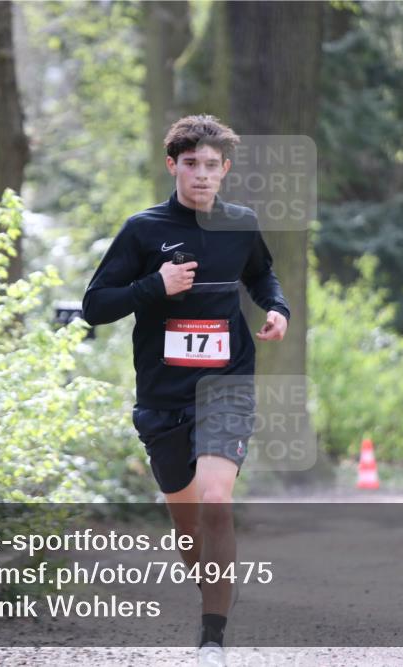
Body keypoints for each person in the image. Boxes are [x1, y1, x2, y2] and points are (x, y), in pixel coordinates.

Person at [81, 114, 290, 665]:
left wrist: (276, 307)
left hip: (227, 383)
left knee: (217, 498)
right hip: (162, 396)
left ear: (226, 170)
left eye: (212, 166)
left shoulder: (240, 224)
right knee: (188, 525)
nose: (202, 175)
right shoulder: (143, 230)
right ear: (173, 165)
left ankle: (211, 639)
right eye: (191, 164)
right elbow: (95, 305)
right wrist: (156, 285)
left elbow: (262, 274)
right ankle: (215, 592)